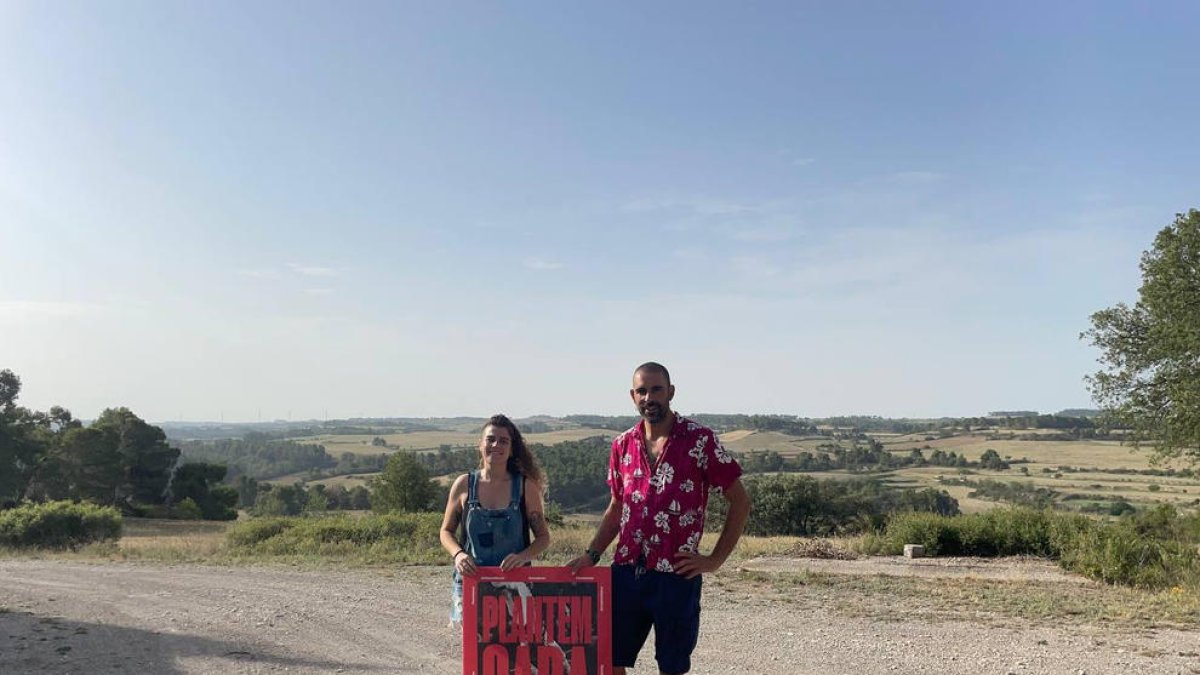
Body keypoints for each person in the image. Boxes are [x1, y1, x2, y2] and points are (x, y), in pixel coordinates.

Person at [570, 362, 750, 675]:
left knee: (672, 666)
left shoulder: (699, 440)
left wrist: (715, 560)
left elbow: (741, 501)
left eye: (656, 389)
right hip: (626, 571)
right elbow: (617, 507)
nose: (648, 397)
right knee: (611, 660)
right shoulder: (622, 445)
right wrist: (593, 552)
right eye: (642, 390)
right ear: (632, 396)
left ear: (671, 392)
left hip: (676, 573)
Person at [440, 414, 550, 625]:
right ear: (480, 444)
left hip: (514, 585)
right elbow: (446, 531)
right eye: (490, 439)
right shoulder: (463, 485)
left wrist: (522, 556)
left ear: (511, 449)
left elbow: (543, 538)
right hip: (471, 582)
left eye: (503, 441)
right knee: (475, 653)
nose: (496, 445)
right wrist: (458, 554)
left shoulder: (525, 488)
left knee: (515, 650)